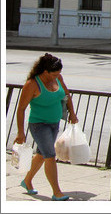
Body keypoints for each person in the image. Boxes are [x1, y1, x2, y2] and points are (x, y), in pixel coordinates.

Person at [14, 53, 79, 201]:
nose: (57, 76)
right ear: (45, 71)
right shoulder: (32, 84)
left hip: (54, 123)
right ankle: (57, 192)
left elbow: (66, 95)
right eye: (54, 74)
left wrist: (72, 113)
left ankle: (27, 181)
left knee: (42, 154)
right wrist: (20, 132)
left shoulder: (57, 78)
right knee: (50, 155)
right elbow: (21, 109)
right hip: (39, 125)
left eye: (59, 73)